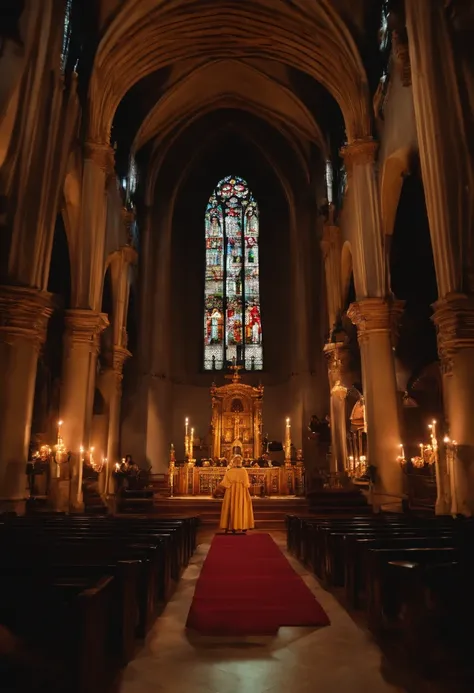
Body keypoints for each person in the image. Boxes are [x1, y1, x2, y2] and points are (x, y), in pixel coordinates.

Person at [215, 454, 254, 534]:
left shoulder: (229, 471)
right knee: (241, 506)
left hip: (231, 492)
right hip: (242, 492)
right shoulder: (243, 471)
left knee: (231, 507)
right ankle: (242, 525)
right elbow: (246, 484)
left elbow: (225, 483)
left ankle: (231, 525)